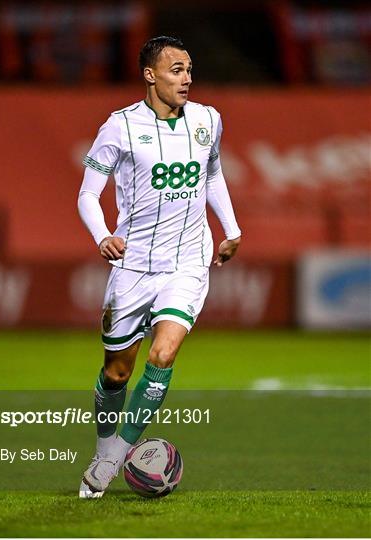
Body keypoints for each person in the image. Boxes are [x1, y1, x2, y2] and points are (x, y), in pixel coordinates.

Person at [77, 36, 241, 498]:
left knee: (163, 355)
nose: (186, 78)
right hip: (133, 268)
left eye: (189, 69)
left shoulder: (208, 120)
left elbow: (212, 175)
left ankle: (110, 460)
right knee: (117, 373)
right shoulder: (120, 127)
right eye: (175, 70)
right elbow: (88, 193)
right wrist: (103, 235)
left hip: (187, 263)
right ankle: (105, 444)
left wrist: (232, 230)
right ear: (150, 75)